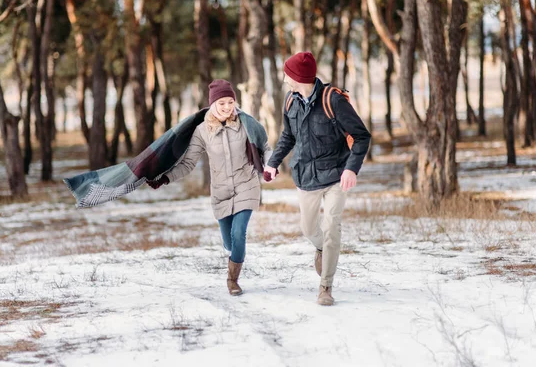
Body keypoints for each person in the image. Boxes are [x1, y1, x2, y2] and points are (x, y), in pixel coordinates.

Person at [263, 52, 371, 306]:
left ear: (298, 77)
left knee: (331, 227)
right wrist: (273, 162)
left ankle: (325, 286)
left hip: (335, 174)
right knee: (309, 228)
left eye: (288, 74)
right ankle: (322, 249)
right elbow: (288, 136)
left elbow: (362, 136)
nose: (286, 79)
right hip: (305, 175)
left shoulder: (333, 100)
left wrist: (351, 169)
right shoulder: (290, 101)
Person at [147, 79, 272, 296]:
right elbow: (187, 164)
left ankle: (232, 280)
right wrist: (165, 178)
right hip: (221, 193)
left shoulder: (246, 123)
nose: (227, 107)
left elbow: (265, 147)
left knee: (239, 233)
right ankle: (235, 256)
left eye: (230, 102)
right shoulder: (202, 131)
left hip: (246, 185)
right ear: (213, 104)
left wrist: (270, 166)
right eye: (222, 103)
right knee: (229, 241)